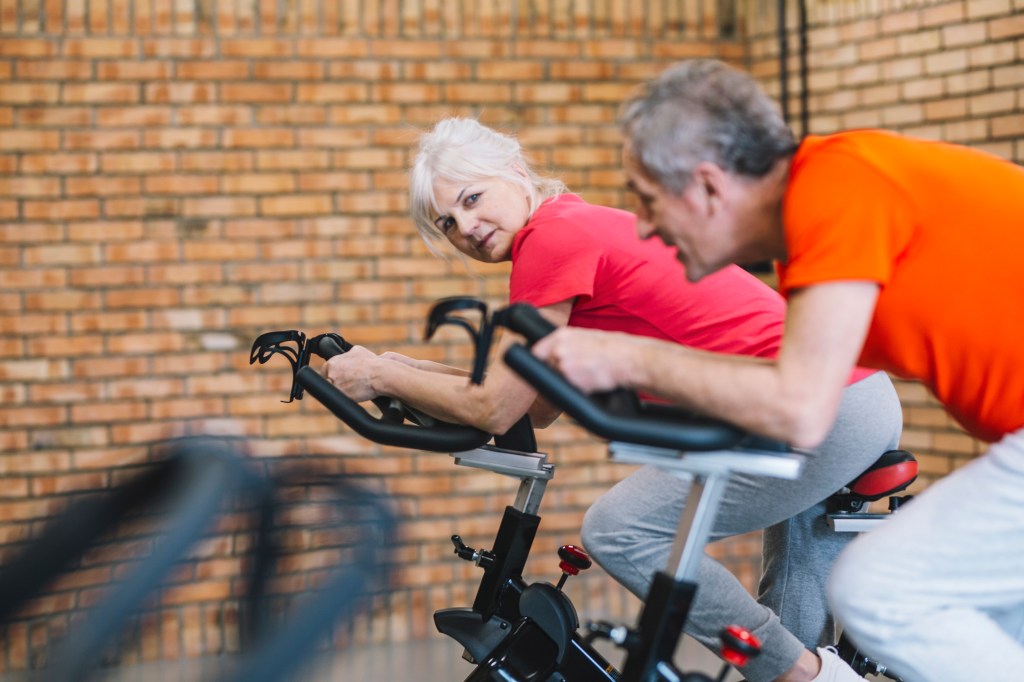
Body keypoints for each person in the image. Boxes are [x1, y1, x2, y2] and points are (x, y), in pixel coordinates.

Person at [322, 117, 903, 682]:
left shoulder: (550, 241)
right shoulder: (571, 226)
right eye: (447, 223)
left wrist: (383, 378)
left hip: (819, 406)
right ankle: (808, 670)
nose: (466, 226)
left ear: (515, 171)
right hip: (846, 394)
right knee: (791, 617)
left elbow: (497, 408)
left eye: (473, 198)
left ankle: (805, 674)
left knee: (621, 529)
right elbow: (536, 402)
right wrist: (401, 367)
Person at [530, 59, 1024, 682]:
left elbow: (798, 406)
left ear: (708, 187)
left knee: (879, 591)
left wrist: (628, 357)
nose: (647, 227)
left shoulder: (834, 191)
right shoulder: (816, 222)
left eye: (649, 203)